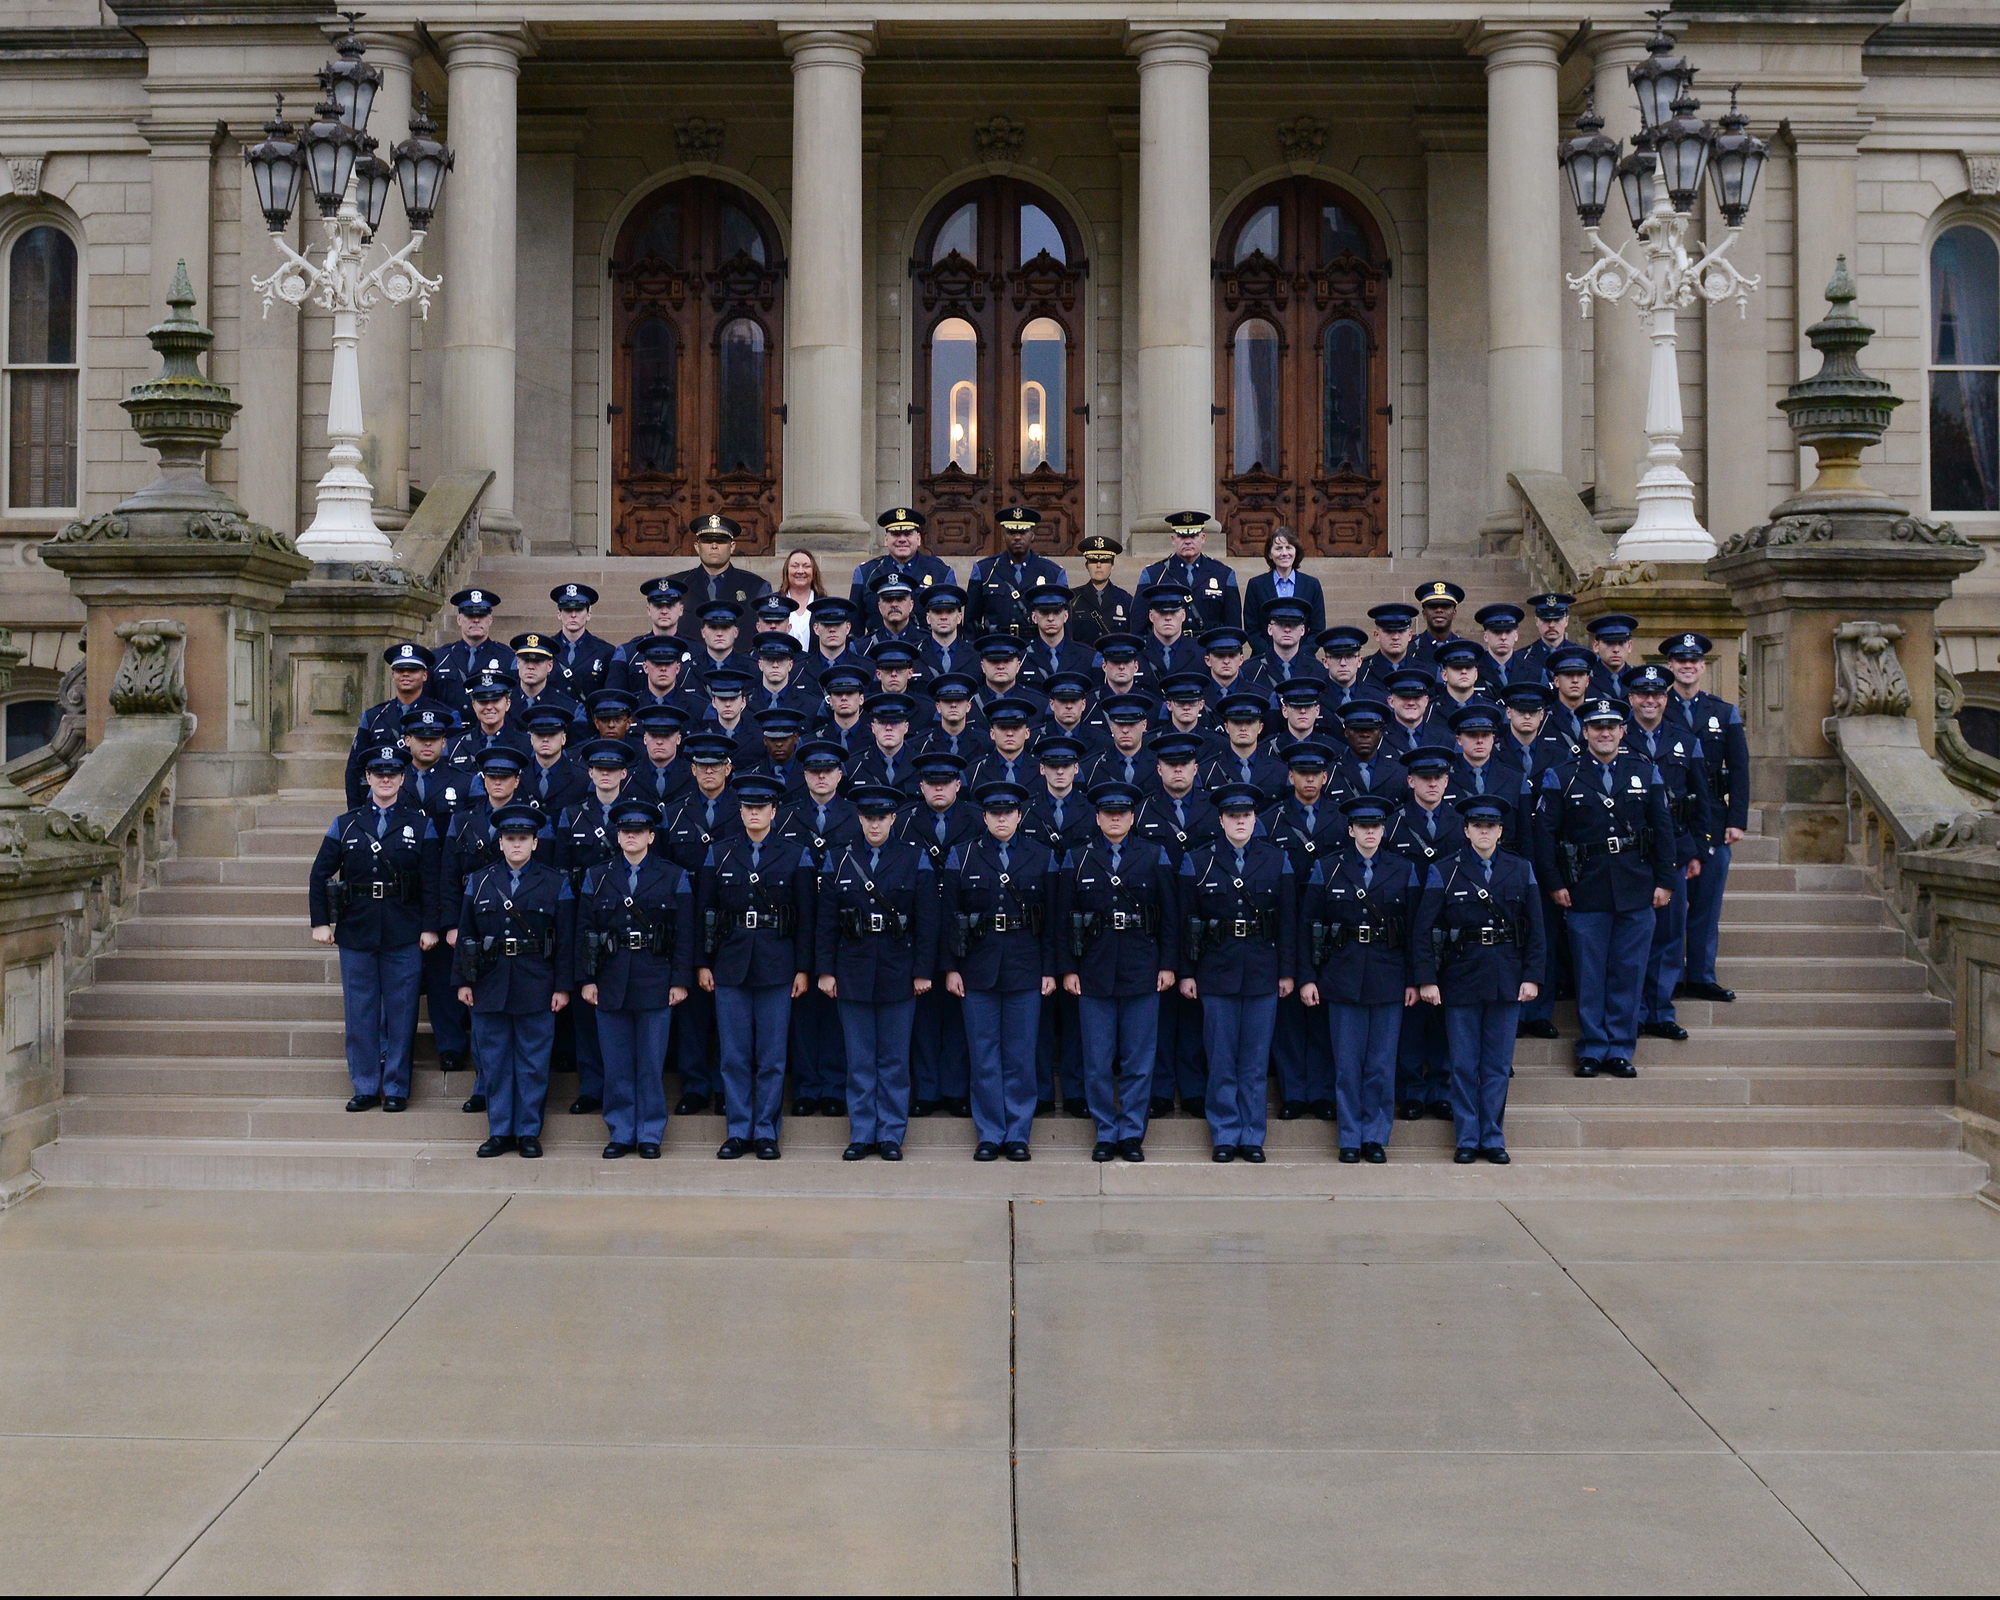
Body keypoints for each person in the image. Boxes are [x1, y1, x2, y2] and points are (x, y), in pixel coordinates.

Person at [1532, 696, 1676, 1078]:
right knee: (1591, 972)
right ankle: (1593, 1048)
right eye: (1597, 727)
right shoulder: (1561, 776)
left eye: (1611, 726)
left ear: (1622, 731)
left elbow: (1663, 829)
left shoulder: (1645, 772)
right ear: (1586, 731)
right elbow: (1545, 837)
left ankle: (1620, 1048)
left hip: (1636, 886)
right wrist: (1554, 883)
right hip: (1585, 888)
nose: (1605, 733)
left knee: (1628, 971)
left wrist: (1665, 880)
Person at [310, 743, 442, 1114]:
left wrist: (430, 927)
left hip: (404, 930)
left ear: (403, 778)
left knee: (401, 1013)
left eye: (393, 774)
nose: (385, 779)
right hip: (356, 930)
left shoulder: (421, 823)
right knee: (360, 1012)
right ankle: (365, 1085)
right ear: (367, 778)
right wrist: (321, 921)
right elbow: (320, 873)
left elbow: (431, 881)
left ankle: (397, 1086)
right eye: (378, 774)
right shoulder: (346, 823)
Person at [1414, 792, 1545, 1163]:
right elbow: (1425, 929)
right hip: (1461, 976)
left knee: (1497, 1065)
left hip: (1507, 976)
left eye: (1491, 826)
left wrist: (1533, 975)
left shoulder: (1521, 869)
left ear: (1501, 831)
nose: (1484, 832)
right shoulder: (1445, 870)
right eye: (1477, 826)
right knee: (1463, 1063)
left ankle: (1492, 1136)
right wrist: (1427, 978)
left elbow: (1536, 928)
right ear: (1466, 830)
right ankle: (1467, 1138)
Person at [816, 783, 940, 1161]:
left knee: (894, 1059)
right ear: (859, 818)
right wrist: (825, 970)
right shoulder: (838, 858)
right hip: (852, 968)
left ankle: (890, 1134)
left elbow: (927, 921)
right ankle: (861, 1133)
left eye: (881, 817)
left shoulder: (912, 857)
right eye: (868, 817)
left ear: (892, 818)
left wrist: (922, 970)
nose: (874, 824)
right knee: (860, 1059)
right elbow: (825, 921)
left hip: (898, 968)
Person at [1057, 780, 1179, 1162]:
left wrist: (1168, 964)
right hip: (1093, 970)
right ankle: (1105, 1132)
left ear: (1131, 817)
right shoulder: (1077, 857)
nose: (1115, 819)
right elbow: (1063, 919)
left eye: (1122, 813)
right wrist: (1068, 969)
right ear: (1097, 817)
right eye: (1108, 813)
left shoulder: (1153, 854)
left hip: (1142, 968)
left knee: (1138, 1061)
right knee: (1096, 1062)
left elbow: (1171, 916)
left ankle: (1131, 1133)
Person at [699, 770, 816, 1159]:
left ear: (773, 810)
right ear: (740, 809)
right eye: (748, 807)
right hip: (731, 964)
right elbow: (706, 911)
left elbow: (805, 916)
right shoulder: (719, 852)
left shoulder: (795, 854)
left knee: (771, 1056)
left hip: (777, 964)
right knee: (733, 1056)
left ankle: (765, 1131)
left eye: (761, 807)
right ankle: (737, 1130)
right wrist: (703, 963)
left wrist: (802, 968)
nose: (754, 813)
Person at [1299, 792, 1420, 1162]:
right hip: (1342, 973)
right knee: (1348, 1064)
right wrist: (1307, 977)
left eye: (1376, 826)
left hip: (1388, 974)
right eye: (1363, 826)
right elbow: (1308, 925)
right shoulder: (1328, 867)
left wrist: (1415, 980)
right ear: (1350, 829)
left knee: (1381, 1064)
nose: (1370, 832)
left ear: (1384, 830)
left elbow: (1415, 929)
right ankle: (1349, 1137)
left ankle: (1375, 1135)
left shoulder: (1404, 868)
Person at [1179, 782, 1295, 1162]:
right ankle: (1225, 1134)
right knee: (1222, 1058)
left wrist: (1287, 972)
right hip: (1217, 970)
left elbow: (1289, 922)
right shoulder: (1199, 861)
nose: (1240, 822)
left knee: (1255, 1060)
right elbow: (1186, 921)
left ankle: (1252, 1136)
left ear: (1255, 818)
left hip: (1263, 969)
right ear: (1221, 820)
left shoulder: (1277, 860)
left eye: (1246, 815)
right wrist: (1187, 972)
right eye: (1233, 816)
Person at [452, 801, 574, 1158]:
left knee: (533, 1061)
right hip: (489, 982)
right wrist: (462, 981)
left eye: (523, 838)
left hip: (536, 981)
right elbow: (465, 932)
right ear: (499, 842)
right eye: (510, 838)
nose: (516, 844)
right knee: (495, 1060)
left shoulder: (555, 883)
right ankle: (500, 1130)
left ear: (535, 842)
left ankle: (529, 1131)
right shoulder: (480, 881)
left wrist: (562, 986)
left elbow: (565, 940)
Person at [943, 780, 1057, 1160]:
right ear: (985, 817)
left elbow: (1053, 919)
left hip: (1026, 964)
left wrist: (1050, 969)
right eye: (994, 813)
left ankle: (1018, 1134)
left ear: (1019, 815)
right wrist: (951, 968)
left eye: (1008, 812)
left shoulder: (1041, 855)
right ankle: (990, 1133)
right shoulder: (963, 855)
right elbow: (949, 916)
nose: (1001, 818)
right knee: (984, 1055)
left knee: (1021, 1055)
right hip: (977, 966)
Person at [577, 797, 695, 1158]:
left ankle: (649, 1133)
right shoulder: (597, 876)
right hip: (611, 978)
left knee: (650, 1062)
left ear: (651, 836)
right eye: (625, 831)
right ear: (617, 834)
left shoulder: (674, 875)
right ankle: (620, 1131)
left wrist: (679, 980)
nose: (631, 836)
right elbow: (584, 929)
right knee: (616, 1064)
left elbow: (684, 933)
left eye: (638, 831)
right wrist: (587, 978)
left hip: (655, 977)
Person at [1621, 663, 1709, 1043]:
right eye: (1643, 694)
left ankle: (1660, 1010)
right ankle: (1633, 1013)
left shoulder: (1685, 740)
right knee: (1633, 940)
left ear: (1666, 698)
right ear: (1631, 698)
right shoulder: (1616, 737)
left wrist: (1697, 851)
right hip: (1632, 855)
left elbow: (1700, 801)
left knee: (1670, 936)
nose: (1650, 700)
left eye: (1657, 694)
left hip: (1673, 851)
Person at [1263, 742, 1347, 1121]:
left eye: (1316, 773)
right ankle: (1294, 1093)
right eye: (1302, 773)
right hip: (1284, 922)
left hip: (1330, 925)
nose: (1309, 779)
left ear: (1325, 777)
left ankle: (1323, 1093)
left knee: (1325, 1013)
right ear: (1291, 776)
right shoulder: (1271, 819)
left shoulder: (1343, 818)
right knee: (1290, 1015)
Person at [1662, 631, 1747, 1004]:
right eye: (1681, 661)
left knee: (1707, 902)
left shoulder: (1723, 711)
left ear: (1703, 667)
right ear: (1670, 666)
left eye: (1694, 661)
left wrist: (1737, 819)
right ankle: (1669, 978)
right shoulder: (1656, 706)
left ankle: (1700, 974)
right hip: (1671, 820)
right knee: (1673, 905)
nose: (1688, 666)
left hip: (1712, 817)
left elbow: (1740, 768)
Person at [553, 738, 635, 1114]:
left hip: (626, 921)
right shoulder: (571, 815)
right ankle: (592, 1086)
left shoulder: (639, 815)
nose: (605, 774)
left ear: (623, 774)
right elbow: (560, 870)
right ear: (590, 773)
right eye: (599, 769)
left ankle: (626, 1087)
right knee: (587, 1008)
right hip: (583, 919)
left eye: (612, 769)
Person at [898, 750, 982, 1117]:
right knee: (925, 1017)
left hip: (965, 926)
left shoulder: (977, 820)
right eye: (931, 783)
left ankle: (955, 1089)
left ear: (958, 785)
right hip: (916, 927)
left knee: (960, 1016)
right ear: (920, 786)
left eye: (945, 782)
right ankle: (928, 1090)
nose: (938, 788)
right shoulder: (903, 822)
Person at [661, 732, 740, 1114]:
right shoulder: (674, 812)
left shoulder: (745, 809)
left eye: (716, 766)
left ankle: (727, 1088)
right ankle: (695, 1086)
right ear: (692, 770)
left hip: (732, 924)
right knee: (691, 1011)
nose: (709, 772)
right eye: (702, 766)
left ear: (728, 768)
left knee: (730, 1015)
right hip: (685, 923)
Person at [1385, 745, 1463, 1120]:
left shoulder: (1463, 822)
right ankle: (1412, 1089)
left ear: (1447, 781)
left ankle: (1441, 1088)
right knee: (1412, 1019)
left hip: (1452, 934)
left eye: (1438, 778)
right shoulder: (1393, 824)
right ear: (1410, 780)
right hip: (1406, 932)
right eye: (1424, 778)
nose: (1432, 784)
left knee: (1446, 1018)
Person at [345, 642, 452, 807]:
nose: (406, 674)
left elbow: (451, 765)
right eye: (400, 670)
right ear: (393, 674)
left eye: (413, 670)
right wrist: (355, 812)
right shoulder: (373, 716)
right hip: (384, 802)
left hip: (430, 801)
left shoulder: (445, 716)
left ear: (425, 675)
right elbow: (355, 768)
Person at [968, 505, 1067, 638]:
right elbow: (971, 621)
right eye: (1011, 532)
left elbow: (1065, 622)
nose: (1017, 537)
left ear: (1032, 535)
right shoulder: (984, 570)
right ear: (1003, 536)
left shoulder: (1052, 573)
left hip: (1036, 649)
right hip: (996, 648)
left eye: (1023, 532)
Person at [1140, 510, 1241, 631]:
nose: (1187, 541)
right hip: (1170, 647)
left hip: (1209, 648)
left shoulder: (1223, 574)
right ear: (1173, 539)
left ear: (1203, 538)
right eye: (1182, 536)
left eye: (1193, 536)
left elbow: (1233, 626)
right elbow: (1139, 626)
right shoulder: (1154, 575)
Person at [672, 514, 771, 636]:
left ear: (732, 547)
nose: (714, 546)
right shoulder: (676, 585)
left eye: (721, 541)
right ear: (697, 547)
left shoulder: (756, 587)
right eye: (707, 541)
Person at [851, 506, 956, 611]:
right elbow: (855, 623)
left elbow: (953, 619)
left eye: (908, 534)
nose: (902, 539)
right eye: (895, 534)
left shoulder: (940, 572)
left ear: (918, 539)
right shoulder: (866, 573)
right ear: (886, 540)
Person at [431, 588, 517, 713]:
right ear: (459, 620)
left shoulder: (507, 658)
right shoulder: (441, 658)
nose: (476, 620)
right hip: (450, 731)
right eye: (470, 615)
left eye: (481, 615)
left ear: (490, 620)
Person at [609, 576, 693, 694]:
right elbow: (614, 697)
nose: (664, 611)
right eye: (658, 606)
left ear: (681, 610)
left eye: (670, 606)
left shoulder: (697, 652)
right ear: (648, 610)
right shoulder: (629, 653)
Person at [1243, 525, 1327, 640]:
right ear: (1269, 554)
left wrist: (1301, 656)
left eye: (1289, 547)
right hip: (1265, 656)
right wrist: (1270, 655)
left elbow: (1318, 628)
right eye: (1278, 548)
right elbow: (1251, 629)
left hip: (1302, 656)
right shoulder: (1256, 585)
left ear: (1296, 551)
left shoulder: (1312, 585)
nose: (1284, 553)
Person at [549, 583, 616, 703]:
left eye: (579, 610)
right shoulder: (547, 649)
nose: (573, 615)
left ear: (589, 614)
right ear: (559, 614)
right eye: (567, 610)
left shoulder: (605, 652)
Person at [1071, 532, 1135, 646]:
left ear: (1112, 566)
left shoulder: (1125, 600)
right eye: (1094, 561)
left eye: (1105, 561)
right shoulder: (1073, 599)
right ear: (1087, 566)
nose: (1099, 565)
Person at [1359, 602, 1420, 691]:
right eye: (1388, 632)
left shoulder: (1426, 670)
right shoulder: (1362, 671)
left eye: (1401, 631)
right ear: (1376, 635)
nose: (1395, 637)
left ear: (1410, 635)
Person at [1516, 592, 1576, 679]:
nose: (1551, 625)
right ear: (1536, 621)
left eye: (1557, 620)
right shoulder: (1521, 658)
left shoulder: (1579, 655)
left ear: (1566, 620)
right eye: (1546, 620)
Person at [1409, 579, 1466, 668]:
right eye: (1433, 606)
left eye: (1445, 606)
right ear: (1424, 613)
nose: (1439, 610)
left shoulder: (1464, 648)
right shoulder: (1410, 647)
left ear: (1454, 613)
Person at [777, 549, 824, 646]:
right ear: (787, 571)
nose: (800, 571)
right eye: (795, 566)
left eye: (806, 566)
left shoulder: (824, 604)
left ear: (814, 572)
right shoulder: (775, 603)